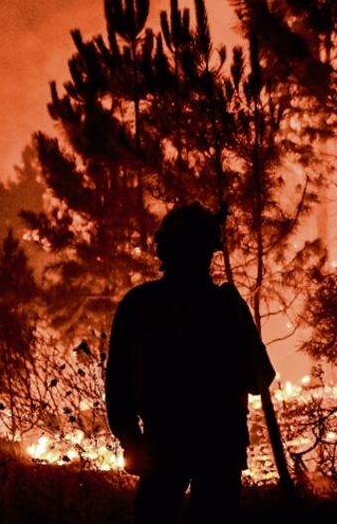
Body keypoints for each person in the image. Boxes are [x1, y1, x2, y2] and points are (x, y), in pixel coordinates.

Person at [105, 203, 275, 523]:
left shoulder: (139, 304)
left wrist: (131, 440)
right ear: (209, 252)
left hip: (166, 446)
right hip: (216, 448)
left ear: (163, 250)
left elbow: (118, 388)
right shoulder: (224, 306)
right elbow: (260, 378)